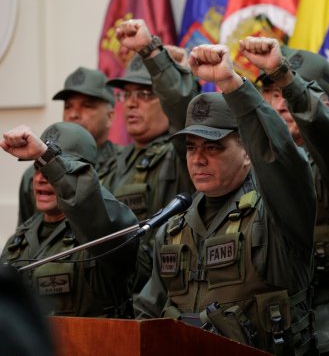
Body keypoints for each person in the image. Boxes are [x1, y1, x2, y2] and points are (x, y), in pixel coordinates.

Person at [133, 41, 317, 355]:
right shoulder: (173, 228)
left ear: (248, 151)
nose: (198, 158)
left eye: (213, 147)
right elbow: (147, 315)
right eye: (191, 147)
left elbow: (282, 160)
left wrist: (232, 84)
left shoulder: (276, 216)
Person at [256, 44, 329, 354]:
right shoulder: (247, 159)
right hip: (258, 319)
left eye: (290, 92)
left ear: (322, 104)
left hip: (321, 316)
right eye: (273, 93)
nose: (283, 102)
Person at [0, 122, 138, 317]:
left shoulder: (104, 232)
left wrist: (48, 158)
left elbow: (96, 213)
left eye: (49, 170)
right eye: (36, 167)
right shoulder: (19, 241)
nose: (41, 178)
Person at [102, 54, 195, 293]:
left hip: (167, 284)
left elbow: (183, 108)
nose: (132, 103)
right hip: (120, 287)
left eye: (144, 94)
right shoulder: (113, 162)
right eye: (128, 95)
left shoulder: (182, 152)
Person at [17, 66, 119, 225]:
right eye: (68, 106)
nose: (73, 114)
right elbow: (25, 235)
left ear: (110, 116)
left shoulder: (125, 166)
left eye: (87, 105)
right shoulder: (36, 173)